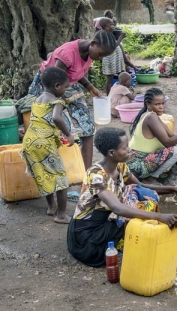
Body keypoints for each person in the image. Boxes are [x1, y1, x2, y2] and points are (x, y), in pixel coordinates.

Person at [67, 127, 177, 267]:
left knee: (139, 192)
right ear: (112, 153)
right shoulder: (96, 175)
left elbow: (141, 186)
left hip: (104, 220)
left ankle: (129, 237)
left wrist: (171, 189)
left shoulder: (121, 167)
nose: (129, 150)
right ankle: (124, 242)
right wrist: (159, 217)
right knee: (136, 205)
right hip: (88, 237)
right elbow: (117, 208)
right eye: (125, 147)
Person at [28, 30, 117, 171]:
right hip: (50, 88)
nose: (100, 58)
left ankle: (86, 174)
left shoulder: (89, 53)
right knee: (56, 129)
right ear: (93, 43)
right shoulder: (67, 54)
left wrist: (90, 86)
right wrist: (58, 106)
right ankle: (56, 171)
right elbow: (54, 83)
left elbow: (76, 72)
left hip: (67, 85)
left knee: (88, 128)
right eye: (101, 54)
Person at [21, 67, 75, 224]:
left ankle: (52, 207)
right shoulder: (56, 101)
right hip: (43, 143)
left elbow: (40, 121)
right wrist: (68, 134)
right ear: (57, 85)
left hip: (30, 141)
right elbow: (56, 118)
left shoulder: (37, 99)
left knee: (43, 174)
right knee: (60, 179)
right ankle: (62, 215)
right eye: (65, 87)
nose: (65, 90)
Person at [127, 88, 177, 184]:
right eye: (157, 104)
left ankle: (152, 174)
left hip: (134, 161)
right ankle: (151, 178)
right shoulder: (151, 117)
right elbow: (167, 142)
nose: (161, 107)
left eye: (163, 103)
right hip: (136, 166)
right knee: (176, 150)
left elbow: (170, 135)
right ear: (148, 104)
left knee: (175, 146)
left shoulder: (150, 115)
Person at [98, 17, 137, 95]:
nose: (114, 26)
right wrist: (120, 38)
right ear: (106, 27)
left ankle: (123, 92)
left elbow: (124, 58)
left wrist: (134, 67)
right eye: (112, 25)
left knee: (124, 77)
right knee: (109, 80)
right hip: (109, 62)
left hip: (117, 63)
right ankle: (109, 97)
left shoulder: (117, 43)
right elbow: (111, 47)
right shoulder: (104, 36)